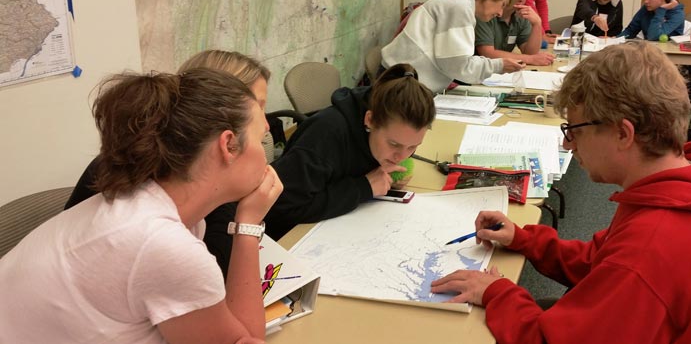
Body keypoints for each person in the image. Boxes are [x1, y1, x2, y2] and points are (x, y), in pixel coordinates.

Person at [431, 42, 691, 343]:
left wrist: (497, 293)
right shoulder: (685, 186)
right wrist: (523, 239)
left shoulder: (652, 248)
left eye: (574, 130)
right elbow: (601, 263)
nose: (566, 143)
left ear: (622, 133)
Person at [0, 68, 283, 343]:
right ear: (229, 145)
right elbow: (247, 339)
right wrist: (248, 227)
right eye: (260, 138)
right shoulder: (163, 244)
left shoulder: (154, 200)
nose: (266, 154)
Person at [64, 50, 272, 277]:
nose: (266, 123)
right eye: (256, 107)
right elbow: (214, 280)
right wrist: (247, 225)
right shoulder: (168, 191)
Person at [263, 63, 435, 239]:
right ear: (370, 120)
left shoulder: (388, 134)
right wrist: (363, 188)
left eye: (413, 146)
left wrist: (384, 177)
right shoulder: (324, 137)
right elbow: (280, 208)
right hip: (287, 238)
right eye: (394, 144)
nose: (402, 156)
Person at [381, 0, 524, 93]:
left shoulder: (460, 3)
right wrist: (498, 65)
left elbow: (454, 63)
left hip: (402, 80)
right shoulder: (460, 8)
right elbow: (459, 67)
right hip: (399, 85)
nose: (500, 13)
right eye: (502, 4)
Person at [474, 0, 555, 66]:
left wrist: (537, 23)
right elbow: (488, 53)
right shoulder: (487, 11)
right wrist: (529, 59)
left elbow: (530, 53)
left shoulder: (521, 15)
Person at [619, 0, 685, 40]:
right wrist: (615, 40)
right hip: (649, 49)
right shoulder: (646, 8)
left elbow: (654, 36)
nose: (646, 1)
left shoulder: (677, 14)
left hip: (669, 51)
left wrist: (661, 10)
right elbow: (631, 30)